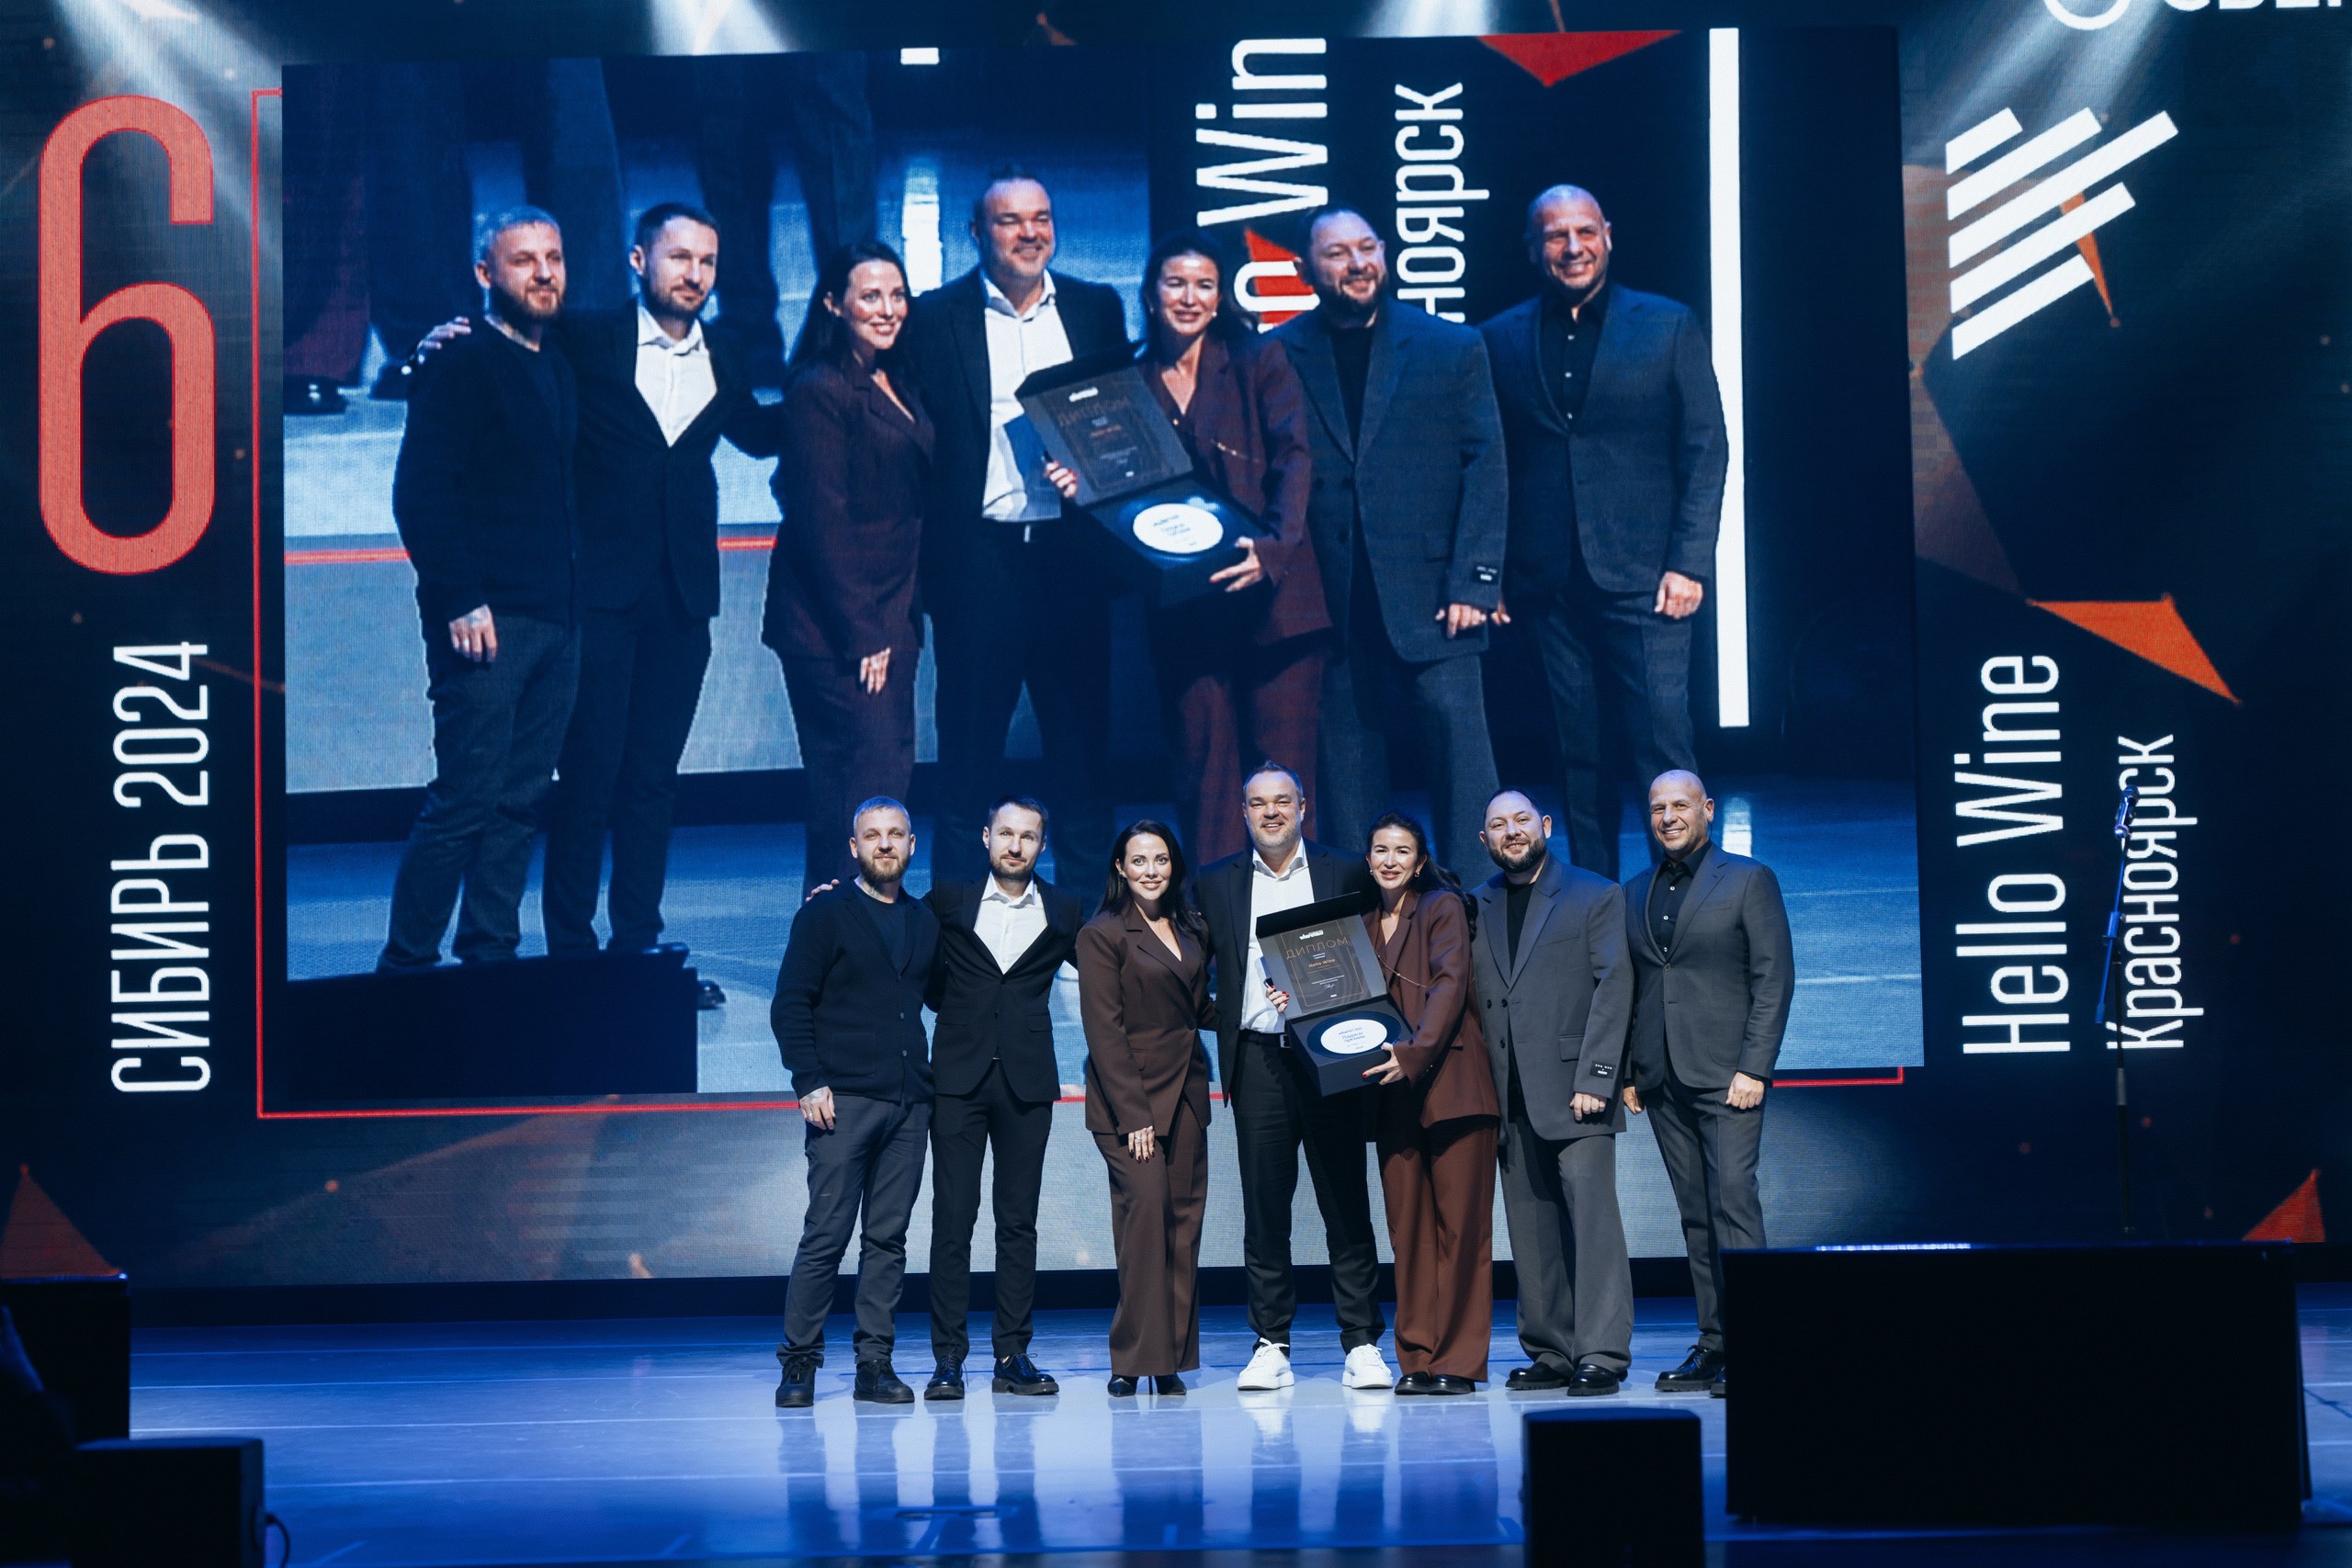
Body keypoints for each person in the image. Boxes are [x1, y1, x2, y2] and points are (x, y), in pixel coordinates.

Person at [531, 202, 783, 1002]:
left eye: (707, 261)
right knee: (588, 778)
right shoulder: (590, 338)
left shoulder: (727, 353)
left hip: (682, 600)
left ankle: (638, 946)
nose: (695, 274)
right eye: (679, 257)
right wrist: (447, 339)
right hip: (600, 599)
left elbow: (760, 432)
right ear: (640, 261)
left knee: (652, 780)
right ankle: (572, 959)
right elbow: (513, 344)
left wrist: (854, 368)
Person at [1046, 231, 1327, 864]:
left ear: (1220, 296)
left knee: (1282, 787)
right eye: (1176, 283)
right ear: (1150, 294)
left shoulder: (1260, 359)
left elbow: (1295, 459)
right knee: (1204, 782)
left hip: (1276, 600)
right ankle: (1218, 922)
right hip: (1186, 612)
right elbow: (1121, 490)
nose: (1190, 297)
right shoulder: (1130, 380)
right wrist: (1079, 488)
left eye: (1204, 284)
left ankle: (1298, 928)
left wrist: (1273, 548)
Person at [1478, 186, 1728, 879]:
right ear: (1534, 249)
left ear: (1608, 236)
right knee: (1576, 756)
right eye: (1556, 236)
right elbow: (1489, 462)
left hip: (1649, 580)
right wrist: (1491, 571)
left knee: (1663, 752)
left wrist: (1690, 562)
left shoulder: (1667, 324)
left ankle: (1686, 905)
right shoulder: (1497, 338)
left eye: (1586, 232)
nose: (1573, 247)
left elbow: (1706, 448)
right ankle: (1597, 906)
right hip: (1545, 586)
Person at [903, 168, 1130, 885]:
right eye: (1010, 220)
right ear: (977, 233)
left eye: (1041, 218)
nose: (1030, 233)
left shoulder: (1095, 308)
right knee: (968, 762)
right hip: (981, 562)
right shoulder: (935, 317)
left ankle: (1093, 922)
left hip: (1072, 560)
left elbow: (1122, 425)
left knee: (1082, 760)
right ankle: (958, 923)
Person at [1272, 208, 1507, 874]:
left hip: (1438, 597)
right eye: (1337, 253)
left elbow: (1486, 464)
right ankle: (1366, 923)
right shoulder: (1277, 353)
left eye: (1367, 247)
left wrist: (1475, 580)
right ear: (1304, 269)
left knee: (1465, 774)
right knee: (1347, 786)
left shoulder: (1451, 346)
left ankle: (1479, 913)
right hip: (1331, 602)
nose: (1357, 263)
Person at [379, 207, 581, 971]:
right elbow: (420, 492)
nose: (543, 272)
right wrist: (460, 596)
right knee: (466, 798)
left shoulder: (557, 360)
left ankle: (490, 956)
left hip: (557, 618)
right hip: (486, 619)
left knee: (519, 800)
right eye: (523, 259)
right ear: (484, 273)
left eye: (553, 257)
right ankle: (405, 967)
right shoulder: (461, 360)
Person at [1194, 763, 1387, 1393]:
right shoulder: (1216, 881)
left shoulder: (1344, 870)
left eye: (1283, 800)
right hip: (1259, 1059)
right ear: (1243, 812)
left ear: (1304, 807)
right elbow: (1191, 966)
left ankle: (1361, 1341)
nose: (1271, 812)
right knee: (1264, 1210)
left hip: (1331, 1056)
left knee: (1345, 1202)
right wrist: (1231, 1010)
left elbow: (1382, 943)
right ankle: (1271, 1341)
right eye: (1258, 803)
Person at [761, 241, 933, 891]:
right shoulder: (819, 388)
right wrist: (864, 633)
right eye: (870, 296)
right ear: (834, 304)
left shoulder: (896, 376)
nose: (888, 309)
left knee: (874, 786)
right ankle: (839, 937)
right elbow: (822, 521)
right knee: (857, 794)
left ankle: (851, 934)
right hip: (837, 627)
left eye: (897, 295)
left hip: (893, 610)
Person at [1623, 770, 1793, 1401]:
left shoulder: (1748, 879)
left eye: (1680, 805)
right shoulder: (1634, 891)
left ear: (1708, 810)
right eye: (1657, 807)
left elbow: (1774, 978)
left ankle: (1759, 1343)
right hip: (1662, 1078)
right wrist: (1630, 1071)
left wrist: (1755, 1067)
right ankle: (1716, 1340)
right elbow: (1630, 986)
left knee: (1733, 1206)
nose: (1668, 816)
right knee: (1696, 1216)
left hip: (1728, 1078)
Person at [771, 797, 941, 1407]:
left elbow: (942, 995)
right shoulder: (826, 913)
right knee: (826, 1234)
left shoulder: (923, 920)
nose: (885, 843)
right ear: (854, 847)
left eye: (896, 833)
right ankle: (799, 1364)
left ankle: (875, 1364)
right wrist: (808, 1080)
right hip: (841, 1101)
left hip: (908, 1103)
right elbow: (790, 1002)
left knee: (887, 1239)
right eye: (872, 835)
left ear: (912, 844)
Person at [1468, 788, 1634, 1395]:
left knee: (1593, 1225)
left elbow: (1615, 985)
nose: (1511, 831)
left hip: (1576, 1092)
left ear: (1544, 825)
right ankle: (1551, 1349)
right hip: (1507, 1094)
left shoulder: (1595, 893)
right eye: (1498, 824)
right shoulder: (1476, 904)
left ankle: (1602, 1353)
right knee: (1531, 1229)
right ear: (1483, 839)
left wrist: (1598, 1077)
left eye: (1521, 820)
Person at [920, 795, 1083, 1401]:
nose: (1016, 845)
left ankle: (1012, 1353)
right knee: (952, 1221)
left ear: (1042, 845)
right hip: (957, 1081)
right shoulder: (949, 900)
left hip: (1027, 1081)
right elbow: (904, 948)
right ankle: (948, 1359)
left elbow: (1107, 968)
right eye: (1006, 833)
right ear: (986, 836)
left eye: (1028, 836)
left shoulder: (1064, 909)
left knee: (1018, 1222)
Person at [1356, 813, 1502, 1393]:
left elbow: (1449, 985)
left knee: (1462, 1232)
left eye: (1402, 851)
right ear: (1368, 860)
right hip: (1392, 1095)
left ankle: (1458, 1363)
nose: (1390, 860)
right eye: (1380, 850)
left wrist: (1412, 1054)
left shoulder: (1442, 907)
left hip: (1453, 1086)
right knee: (1409, 1233)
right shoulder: (1363, 922)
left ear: (1420, 862)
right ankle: (1417, 1358)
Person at [1076, 820, 1216, 1396]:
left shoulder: (1192, 925)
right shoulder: (1103, 933)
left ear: (1173, 865)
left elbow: (1195, 1009)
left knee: (1183, 1226)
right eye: (1139, 861)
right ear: (1120, 867)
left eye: (1160, 859)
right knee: (1145, 1220)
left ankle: (1169, 1360)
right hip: (1128, 1103)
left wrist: (1260, 1000)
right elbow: (1103, 1032)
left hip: (1185, 1094)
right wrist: (1135, 1115)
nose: (1151, 871)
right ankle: (1132, 1358)